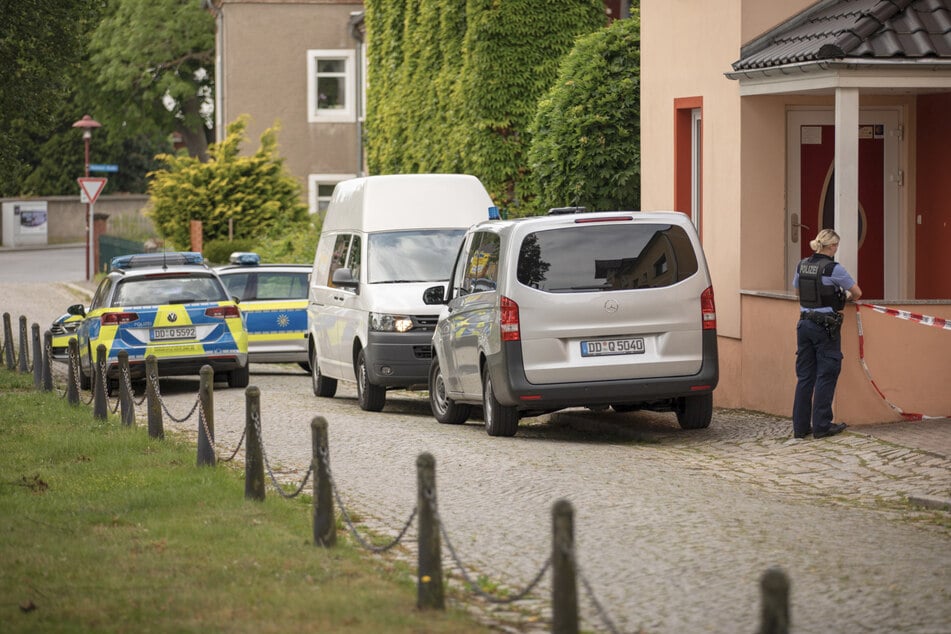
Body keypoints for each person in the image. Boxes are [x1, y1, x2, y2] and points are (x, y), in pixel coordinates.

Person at [792, 229, 862, 439]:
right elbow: (857, 293)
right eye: (836, 247)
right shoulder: (833, 269)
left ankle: (800, 427)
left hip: (804, 324)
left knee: (805, 376)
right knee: (827, 373)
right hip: (825, 327)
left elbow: (798, 292)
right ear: (832, 247)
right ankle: (822, 426)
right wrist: (843, 299)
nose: (836, 250)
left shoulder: (802, 264)